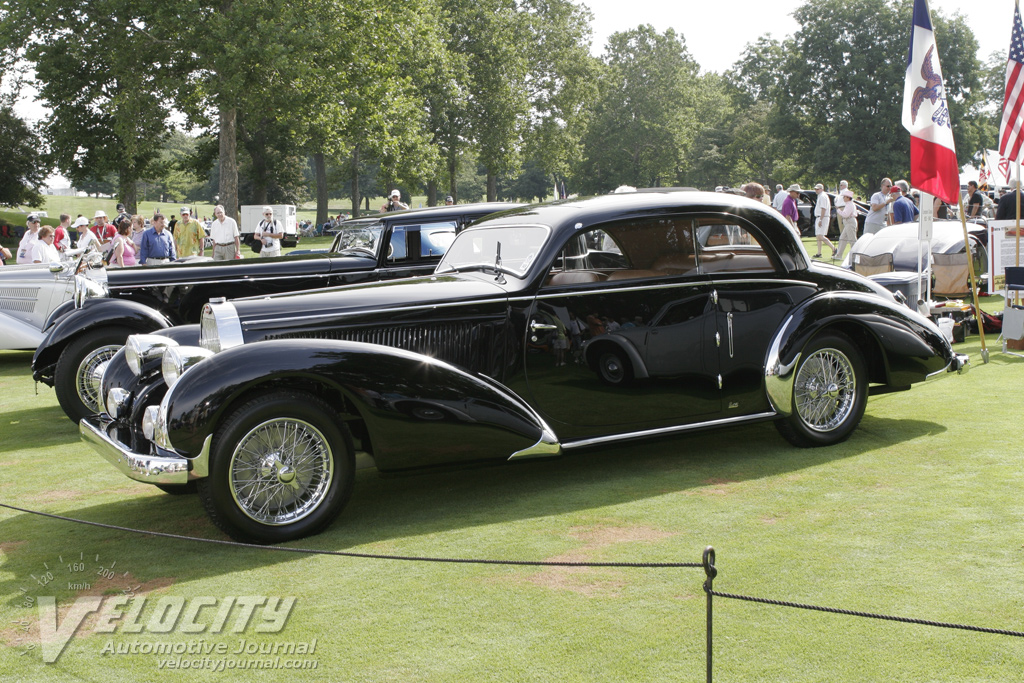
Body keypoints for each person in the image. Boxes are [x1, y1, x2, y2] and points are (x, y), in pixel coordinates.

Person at [835, 189, 859, 262]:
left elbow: (845, 215)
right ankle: (839, 255)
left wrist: (838, 210)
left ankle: (856, 256)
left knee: (852, 240)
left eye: (844, 197)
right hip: (848, 222)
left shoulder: (850, 204)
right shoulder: (849, 204)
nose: (843, 198)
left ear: (848, 198)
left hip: (849, 221)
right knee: (842, 238)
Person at [812, 183, 835, 258]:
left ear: (822, 189)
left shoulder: (823, 196)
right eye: (815, 189)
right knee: (818, 236)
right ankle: (819, 253)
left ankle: (834, 248)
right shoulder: (820, 196)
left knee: (820, 236)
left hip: (823, 217)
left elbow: (823, 208)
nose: (816, 190)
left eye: (817, 189)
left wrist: (821, 219)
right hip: (819, 217)